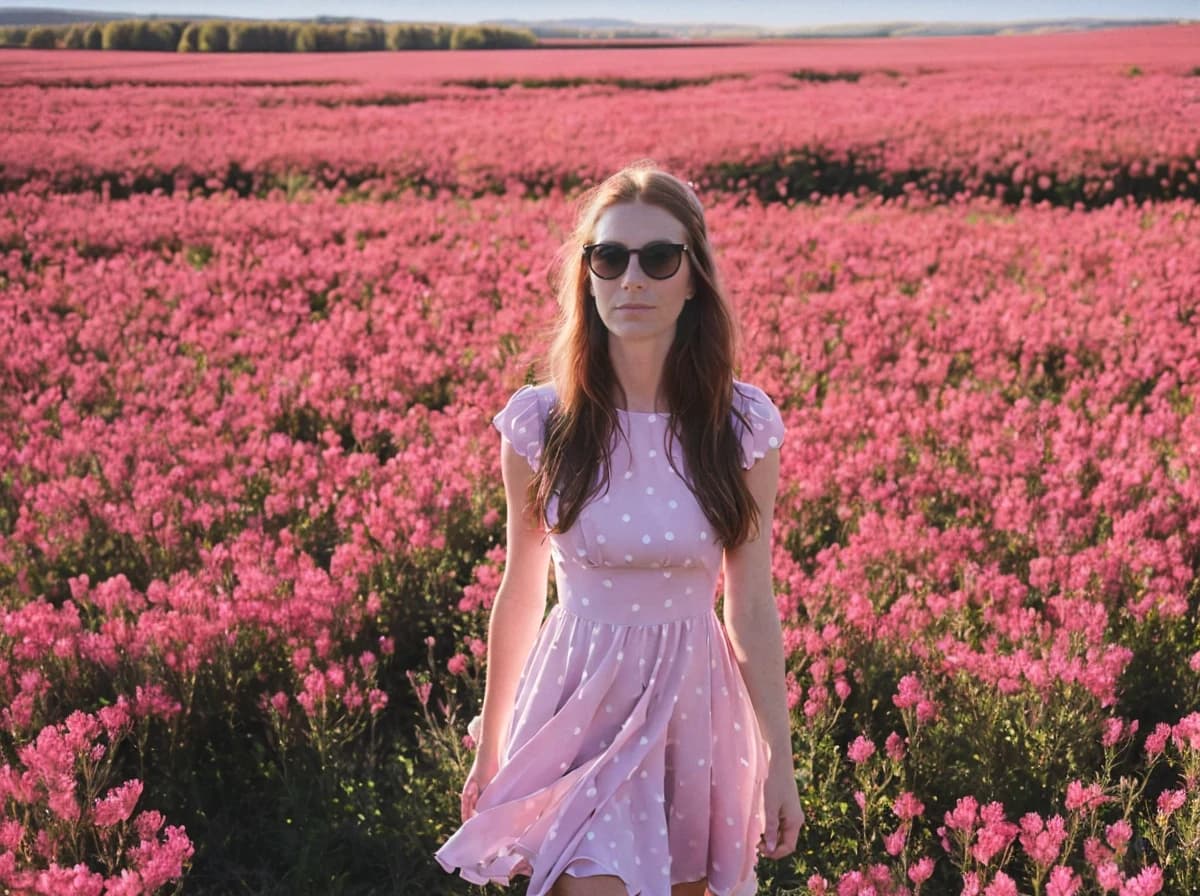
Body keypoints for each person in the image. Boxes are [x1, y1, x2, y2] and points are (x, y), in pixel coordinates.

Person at [435, 162, 803, 896]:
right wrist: (491, 740)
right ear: (588, 276)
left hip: (693, 709)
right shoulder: (542, 423)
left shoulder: (739, 426)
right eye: (609, 257)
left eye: (658, 258)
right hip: (577, 704)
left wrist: (779, 763)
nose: (631, 278)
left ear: (693, 278)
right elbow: (520, 591)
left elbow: (751, 604)